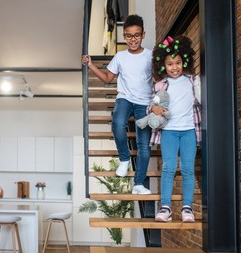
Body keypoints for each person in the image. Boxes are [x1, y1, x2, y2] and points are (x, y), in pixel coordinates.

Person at [82, 14, 153, 195]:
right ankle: (124, 158)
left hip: (145, 102)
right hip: (125, 98)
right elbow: (107, 79)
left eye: (137, 35)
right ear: (124, 37)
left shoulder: (150, 56)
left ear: (143, 34)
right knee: (117, 123)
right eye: (129, 36)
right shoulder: (120, 57)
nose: (133, 39)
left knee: (144, 144)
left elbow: (159, 79)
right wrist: (91, 65)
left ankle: (138, 184)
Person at [149, 35, 201, 222]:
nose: (174, 67)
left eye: (178, 62)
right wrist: (154, 108)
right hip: (169, 132)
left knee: (188, 169)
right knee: (169, 168)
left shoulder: (192, 81)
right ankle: (166, 208)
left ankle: (187, 208)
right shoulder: (161, 84)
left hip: (189, 131)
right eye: (170, 64)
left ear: (184, 61)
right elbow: (152, 106)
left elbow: (202, 100)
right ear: (163, 65)